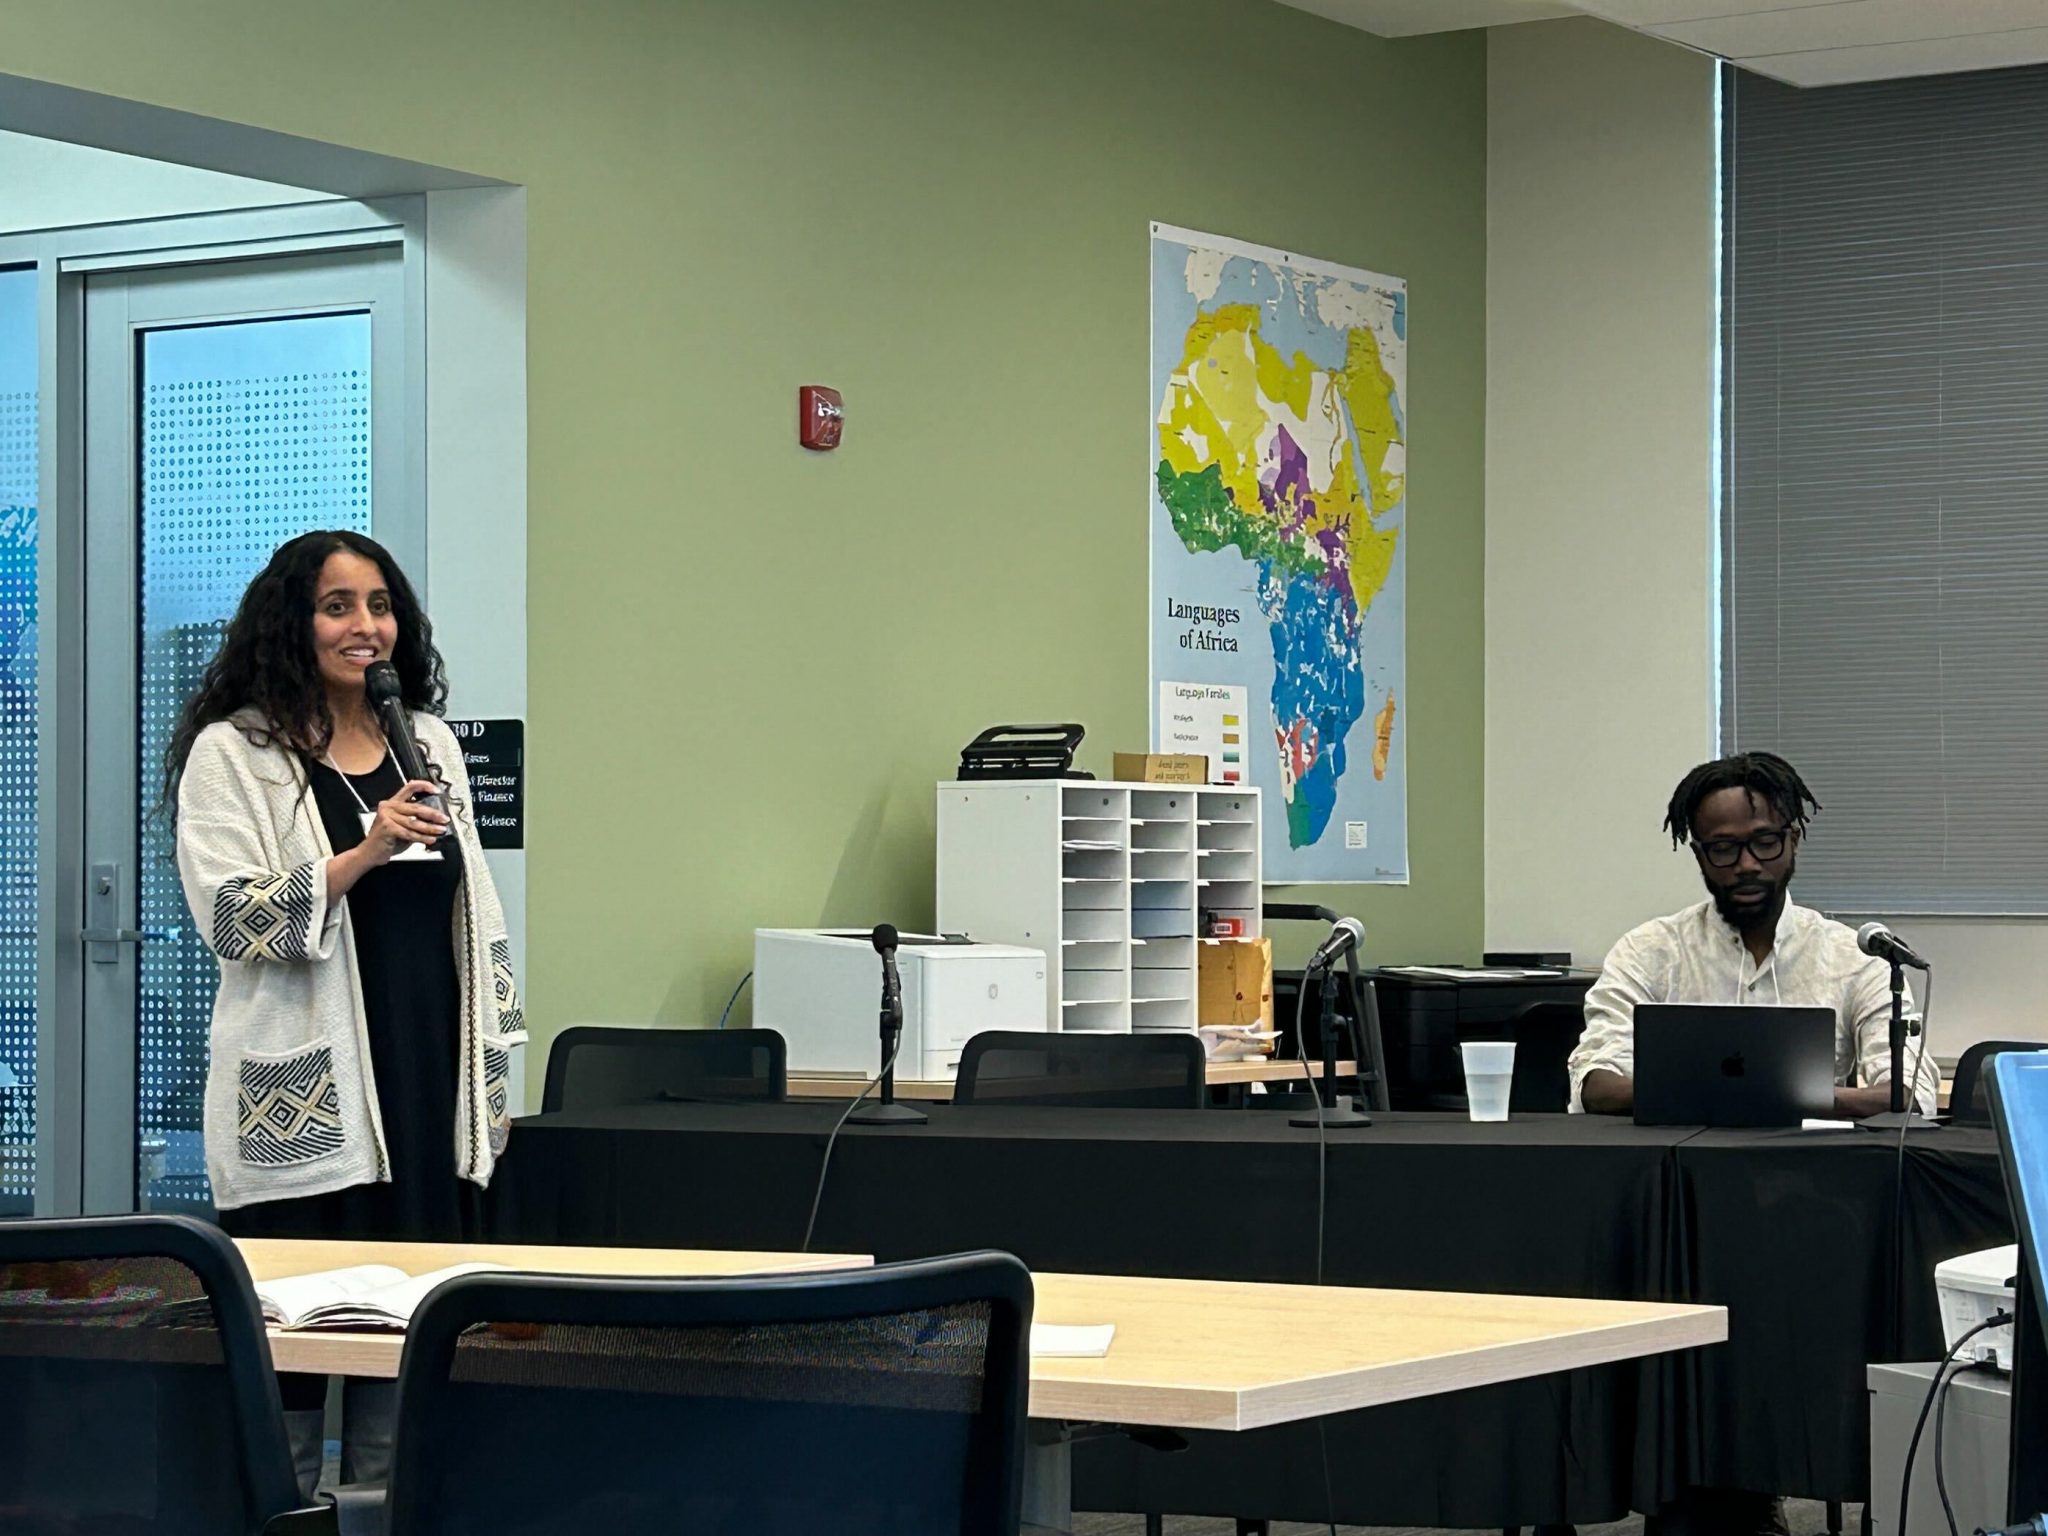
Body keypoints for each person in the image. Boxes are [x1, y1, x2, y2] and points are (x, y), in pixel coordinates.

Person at [167, 528, 525, 1491]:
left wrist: (493, 1079)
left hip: (428, 1094)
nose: (364, 627)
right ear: (294, 623)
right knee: (290, 1365)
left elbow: (475, 915)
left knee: (408, 1369)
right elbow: (234, 920)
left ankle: (381, 1509)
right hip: (313, 1106)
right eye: (337, 607)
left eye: (379, 605)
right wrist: (360, 853)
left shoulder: (432, 741)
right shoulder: (233, 754)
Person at [1570, 750, 1938, 1119]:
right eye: (1724, 848)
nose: (1747, 865)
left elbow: (1909, 1094)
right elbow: (1596, 1086)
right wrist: (1779, 1095)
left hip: (1811, 1166)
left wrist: (1753, 1094)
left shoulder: (1857, 959)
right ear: (1699, 855)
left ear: (1793, 840)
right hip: (1678, 1169)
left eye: (1765, 842)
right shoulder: (1648, 952)